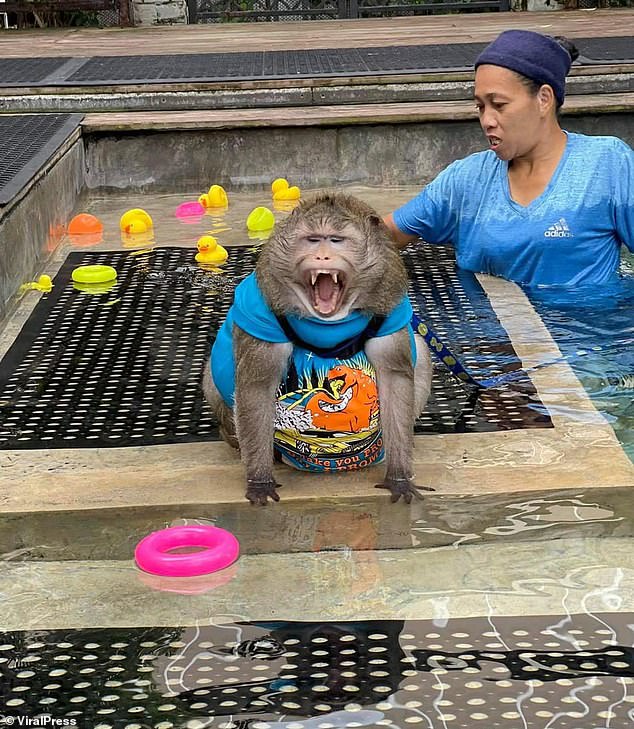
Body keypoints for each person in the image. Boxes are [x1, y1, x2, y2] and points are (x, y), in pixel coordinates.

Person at [383, 29, 634, 288]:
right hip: (488, 326)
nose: (487, 121)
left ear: (544, 99)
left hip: (593, 325)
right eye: (480, 107)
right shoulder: (466, 180)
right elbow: (384, 235)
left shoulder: (606, 165)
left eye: (499, 105)